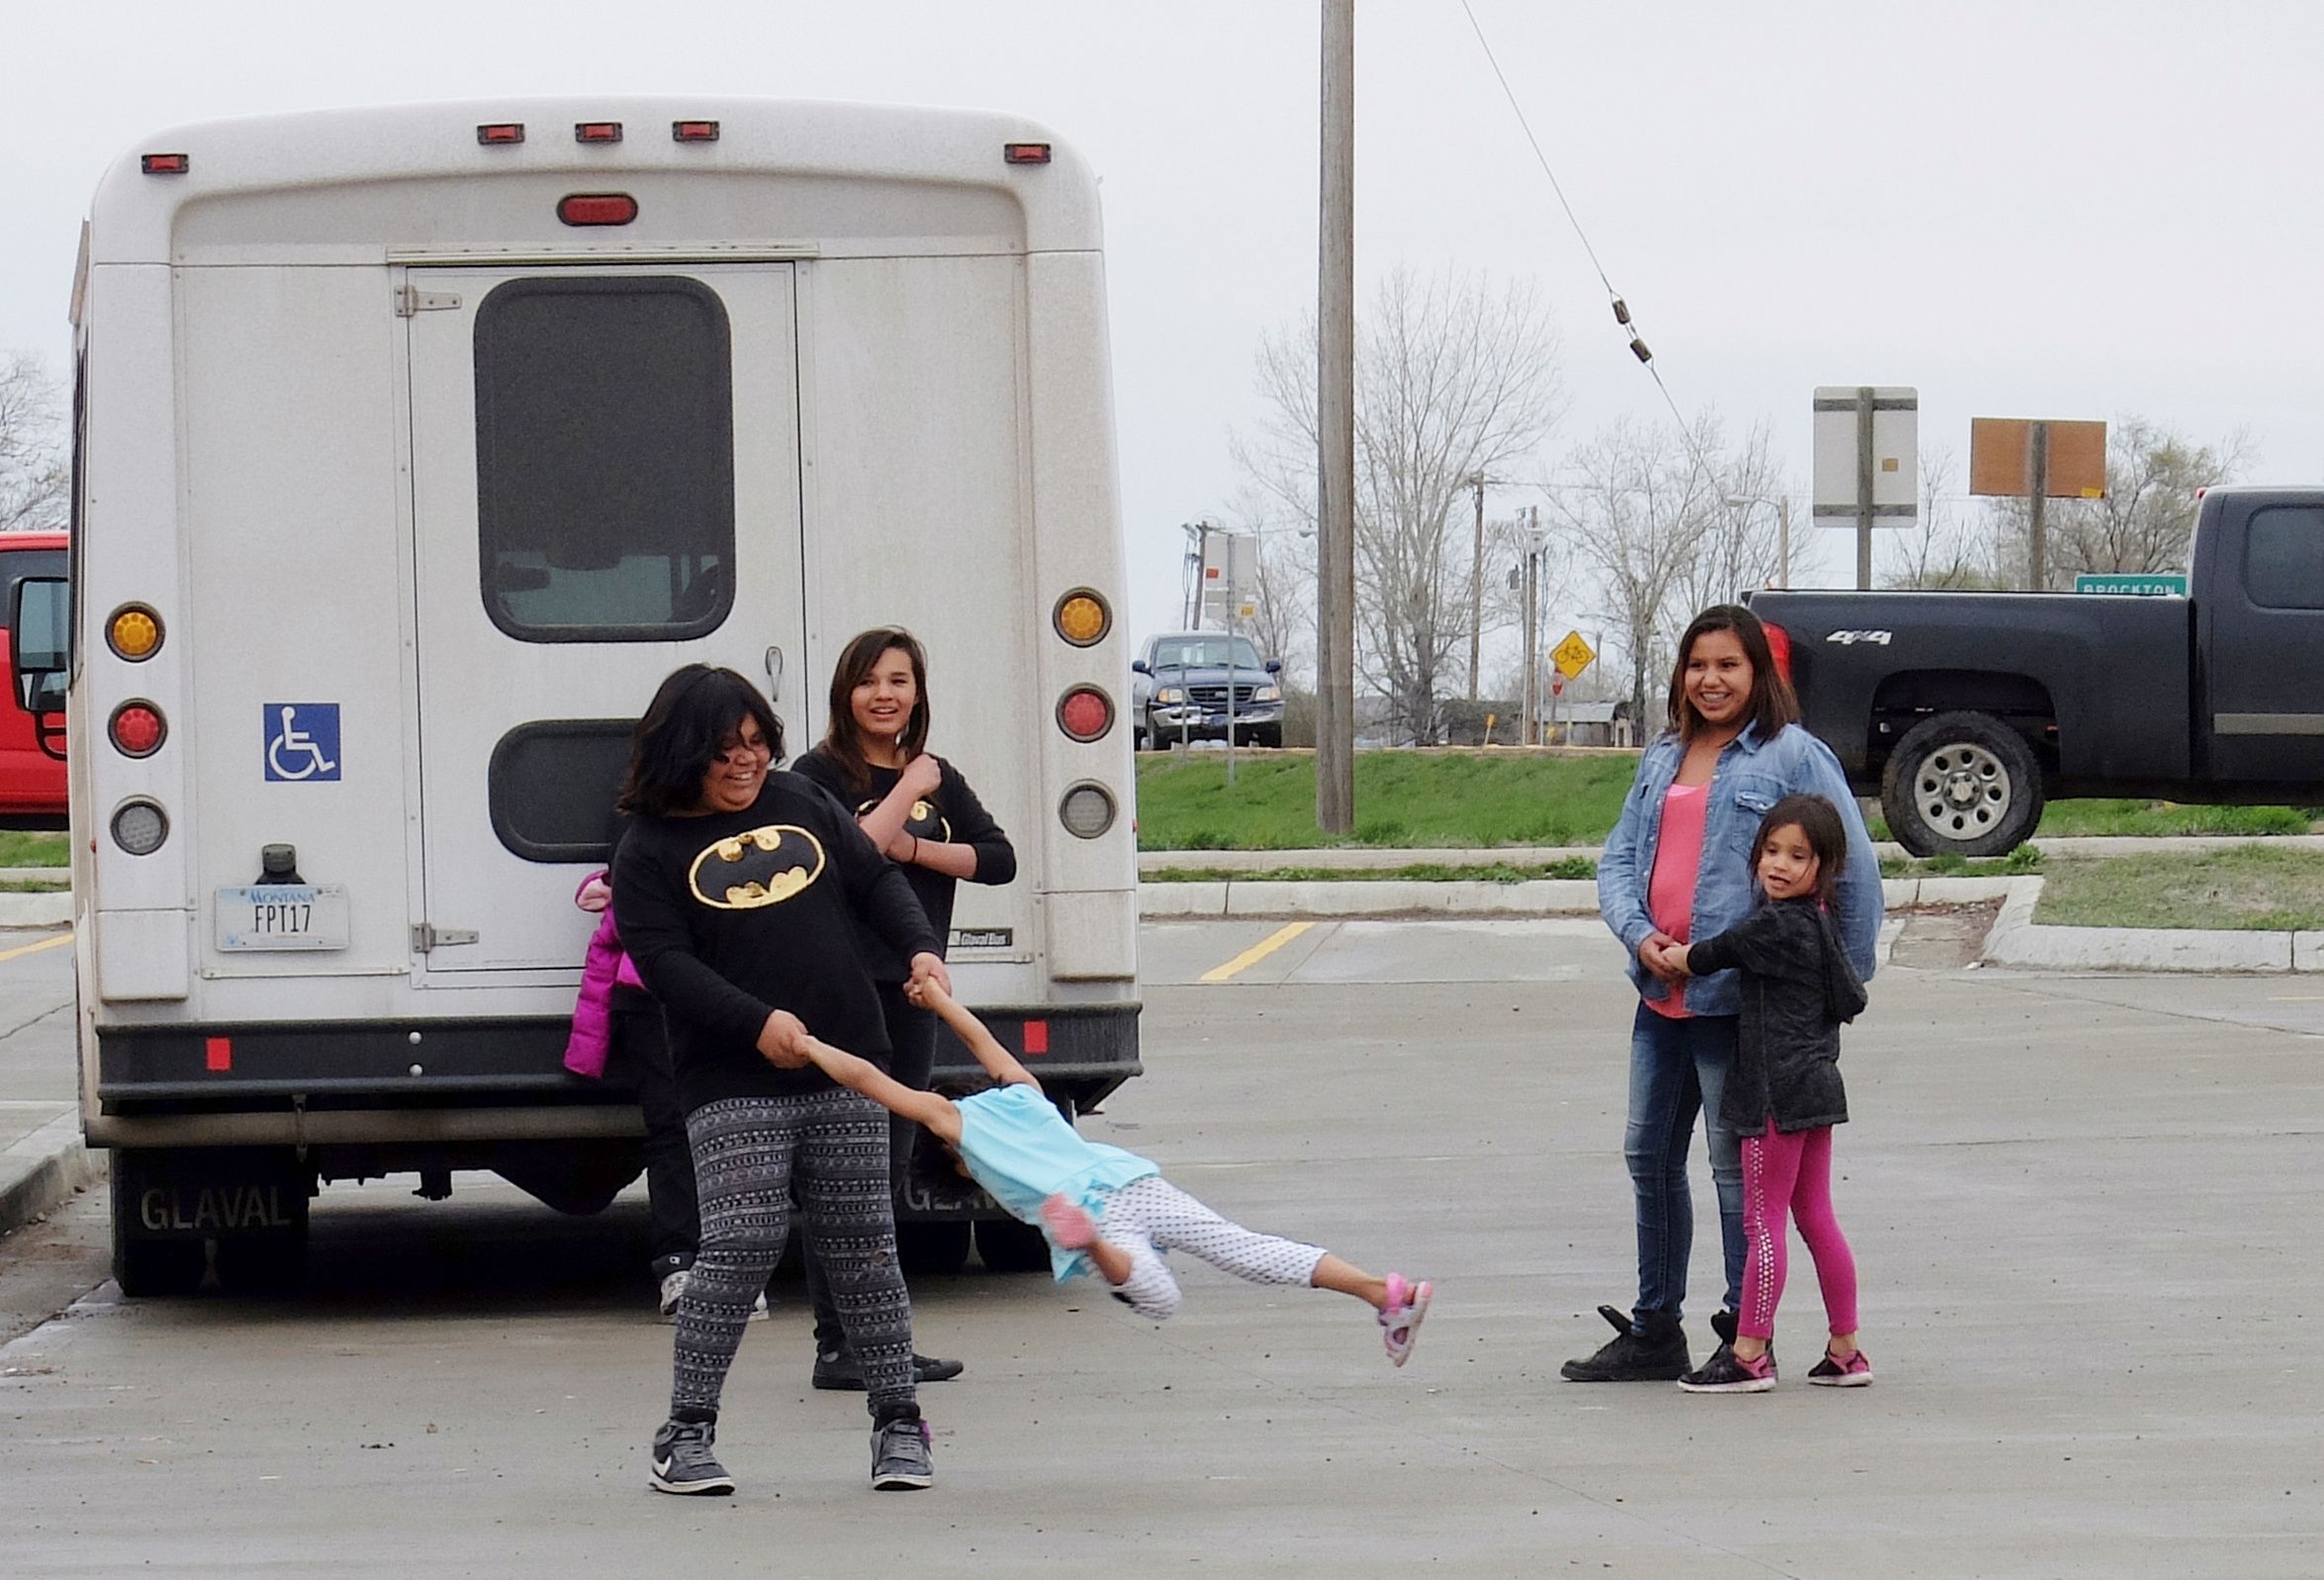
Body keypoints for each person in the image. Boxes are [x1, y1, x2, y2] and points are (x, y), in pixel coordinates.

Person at [611, 664, 949, 1498]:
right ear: (682, 754)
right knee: (742, 1242)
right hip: (732, 1078)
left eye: (758, 747)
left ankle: (899, 1424)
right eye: (725, 753)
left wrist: (918, 949)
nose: (745, 766)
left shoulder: (801, 801)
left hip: (849, 1063)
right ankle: (684, 1432)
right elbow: (664, 965)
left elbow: (875, 880)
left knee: (863, 1246)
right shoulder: (646, 850)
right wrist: (756, 1021)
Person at [794, 978, 1434, 1367]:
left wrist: (810, 1046)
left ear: (954, 1163)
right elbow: (983, 1040)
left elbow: (871, 1081)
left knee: (1161, 1300)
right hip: (1131, 1180)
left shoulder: (950, 1125)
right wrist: (936, 998)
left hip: (1097, 1215)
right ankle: (1386, 1293)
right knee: (1247, 1248)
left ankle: (1087, 1241)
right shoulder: (1022, 1092)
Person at [1566, 604, 1882, 1385]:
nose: (1710, 679)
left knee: (1736, 1175)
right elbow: (1616, 862)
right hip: (1659, 993)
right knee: (1648, 1157)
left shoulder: (1792, 756)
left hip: (1744, 1013)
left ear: (1757, 675)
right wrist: (1640, 936)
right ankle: (1653, 1328)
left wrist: (1838, 985)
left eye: (1728, 665)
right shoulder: (1662, 754)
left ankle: (1747, 1334)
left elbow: (1856, 876)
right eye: (1696, 664)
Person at [791, 626, 1012, 1390]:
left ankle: (877, 1339)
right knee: (842, 1172)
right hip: (844, 992)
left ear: (917, 692)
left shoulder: (934, 771)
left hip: (916, 991)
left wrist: (917, 848)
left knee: (885, 1170)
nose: (884, 694)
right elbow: (851, 852)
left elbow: (997, 857)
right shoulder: (814, 773)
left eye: (899, 680)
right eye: (868, 681)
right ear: (844, 692)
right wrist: (908, 793)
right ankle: (836, 1345)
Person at [1662, 793, 1872, 1393]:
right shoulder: (1820, 921)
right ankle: (1846, 1348)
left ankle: (1750, 1351)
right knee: (1815, 1216)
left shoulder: (1774, 925)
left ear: (1823, 866)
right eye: (1771, 851)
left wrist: (1670, 955)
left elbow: (1707, 955)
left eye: (1798, 856)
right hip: (1818, 1085)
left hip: (1775, 1093)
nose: (1779, 865)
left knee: (1763, 1222)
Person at [562, 870, 765, 1322]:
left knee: (738, 1127)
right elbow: (609, 884)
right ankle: (678, 1265)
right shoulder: (642, 826)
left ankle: (735, 1265)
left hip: (731, 982)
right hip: (652, 990)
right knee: (673, 1126)